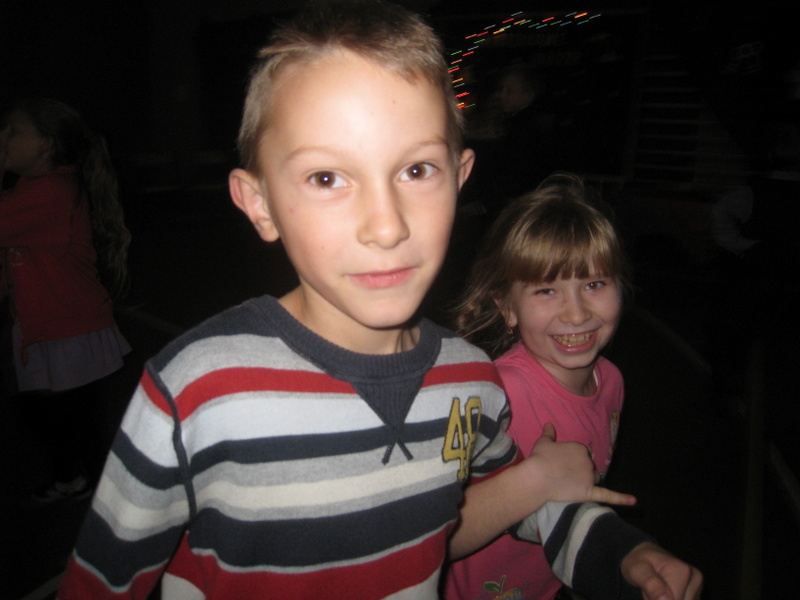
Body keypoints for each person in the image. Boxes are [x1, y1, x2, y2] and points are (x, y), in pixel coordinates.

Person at [57, 2, 701, 599]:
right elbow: (99, 584)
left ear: (460, 177)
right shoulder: (198, 391)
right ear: (260, 204)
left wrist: (621, 552)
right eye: (327, 177)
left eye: (417, 170)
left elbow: (514, 509)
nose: (387, 226)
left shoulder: (472, 383)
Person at [444, 173, 632, 600]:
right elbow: (434, 537)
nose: (576, 313)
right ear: (507, 308)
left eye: (594, 284)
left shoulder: (612, 382)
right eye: (547, 290)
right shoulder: (497, 397)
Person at [0, 98, 132, 503]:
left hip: (68, 325)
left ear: (45, 145)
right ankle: (76, 480)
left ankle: (110, 505)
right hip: (47, 322)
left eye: (13, 132)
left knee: (69, 419)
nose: (3, 138)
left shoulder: (51, 191)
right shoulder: (33, 189)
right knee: (48, 414)